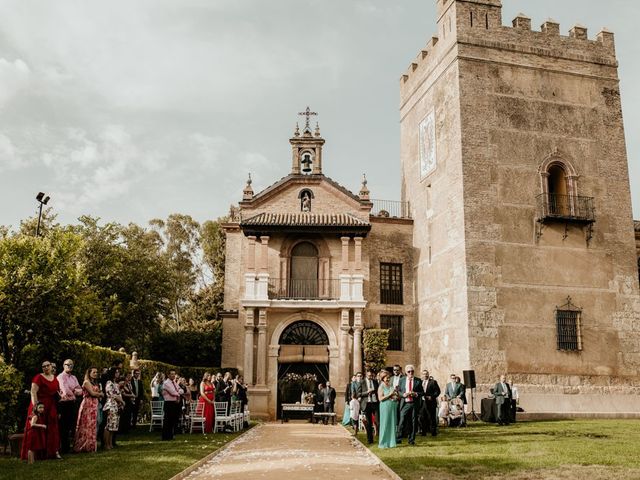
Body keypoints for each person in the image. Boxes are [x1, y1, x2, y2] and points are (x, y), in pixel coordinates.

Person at [21, 360, 61, 460]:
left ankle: (52, 452)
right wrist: (36, 408)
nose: (46, 367)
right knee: (37, 429)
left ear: (52, 367)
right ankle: (36, 455)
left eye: (48, 365)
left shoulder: (55, 378)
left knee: (52, 427)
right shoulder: (38, 377)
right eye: (43, 366)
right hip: (39, 405)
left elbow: (56, 392)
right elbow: (33, 392)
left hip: (51, 405)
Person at [57, 358, 83, 454]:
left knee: (72, 425)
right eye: (68, 364)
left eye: (71, 364)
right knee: (64, 427)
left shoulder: (74, 377)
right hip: (64, 404)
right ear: (64, 365)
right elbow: (65, 391)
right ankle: (64, 448)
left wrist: (74, 391)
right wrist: (74, 391)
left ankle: (71, 446)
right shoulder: (60, 377)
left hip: (72, 403)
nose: (70, 366)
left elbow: (80, 390)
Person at [74, 367, 103, 453]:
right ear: (89, 373)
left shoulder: (95, 383)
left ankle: (91, 445)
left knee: (95, 423)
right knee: (87, 424)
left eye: (96, 372)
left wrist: (99, 394)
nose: (95, 374)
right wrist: (100, 394)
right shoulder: (86, 382)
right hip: (88, 404)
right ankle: (84, 445)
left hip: (95, 404)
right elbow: (92, 393)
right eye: (94, 372)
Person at [396, 364, 423, 445]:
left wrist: (416, 394)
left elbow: (422, 392)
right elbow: (398, 391)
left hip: (414, 403)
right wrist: (403, 394)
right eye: (409, 371)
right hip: (405, 403)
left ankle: (411, 440)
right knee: (402, 420)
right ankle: (398, 438)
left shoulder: (418, 380)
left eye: (412, 371)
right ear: (406, 372)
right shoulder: (402, 380)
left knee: (414, 422)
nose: (411, 373)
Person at [102, 369, 124, 450]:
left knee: (113, 426)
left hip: (116, 406)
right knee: (108, 426)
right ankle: (106, 444)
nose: (118, 373)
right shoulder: (109, 383)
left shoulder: (115, 383)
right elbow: (112, 394)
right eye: (116, 372)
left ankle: (110, 443)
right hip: (111, 405)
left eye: (118, 372)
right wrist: (122, 401)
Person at [356, 370, 379, 444]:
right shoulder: (362, 382)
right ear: (366, 375)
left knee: (378, 421)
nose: (370, 377)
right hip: (366, 404)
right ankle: (370, 440)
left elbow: (378, 391)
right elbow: (358, 394)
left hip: (375, 403)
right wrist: (367, 392)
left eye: (371, 376)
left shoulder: (375, 382)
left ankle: (379, 437)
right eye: (369, 376)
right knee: (368, 423)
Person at [377, 371, 398, 449]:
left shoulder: (390, 385)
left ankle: (391, 442)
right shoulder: (381, 387)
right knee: (385, 423)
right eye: (387, 378)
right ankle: (383, 442)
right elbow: (380, 399)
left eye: (389, 378)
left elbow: (394, 395)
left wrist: (395, 397)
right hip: (384, 407)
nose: (388, 379)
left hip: (392, 406)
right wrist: (390, 394)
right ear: (383, 379)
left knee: (392, 423)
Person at [162, 370, 184, 440]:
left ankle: (171, 435)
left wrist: (178, 391)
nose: (173, 376)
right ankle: (166, 436)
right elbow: (172, 392)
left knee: (173, 420)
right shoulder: (166, 383)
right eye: (172, 374)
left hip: (174, 403)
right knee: (167, 420)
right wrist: (178, 393)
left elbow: (181, 390)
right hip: (169, 403)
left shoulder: (174, 382)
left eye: (174, 374)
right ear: (168, 375)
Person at [419, 369, 441, 436]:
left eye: (426, 374)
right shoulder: (420, 382)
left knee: (431, 417)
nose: (425, 375)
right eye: (423, 374)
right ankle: (423, 432)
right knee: (422, 418)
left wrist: (431, 397)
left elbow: (437, 391)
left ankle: (433, 432)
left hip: (431, 402)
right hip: (422, 402)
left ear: (428, 374)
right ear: (422, 375)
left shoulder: (433, 382)